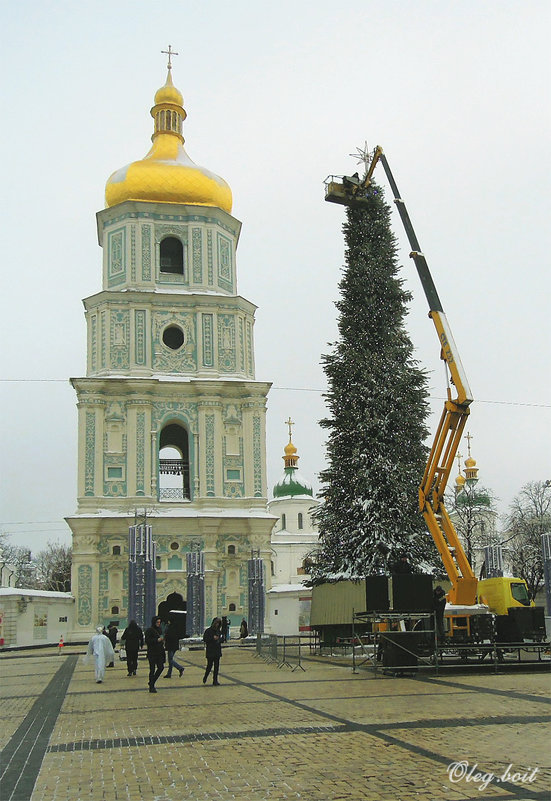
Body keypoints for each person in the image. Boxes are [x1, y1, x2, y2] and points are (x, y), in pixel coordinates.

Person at [145, 616, 165, 692]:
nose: (158, 624)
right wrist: (156, 640)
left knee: (161, 667)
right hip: (152, 652)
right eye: (157, 622)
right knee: (152, 669)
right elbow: (147, 641)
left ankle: (151, 682)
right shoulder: (149, 630)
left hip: (159, 652)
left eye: (159, 622)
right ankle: (152, 687)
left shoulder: (159, 630)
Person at [202, 617, 222, 686]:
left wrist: (220, 639)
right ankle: (205, 676)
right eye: (216, 623)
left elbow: (221, 639)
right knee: (209, 666)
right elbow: (205, 639)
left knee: (216, 667)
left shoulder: (218, 631)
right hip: (210, 651)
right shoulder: (208, 631)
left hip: (217, 651)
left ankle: (215, 680)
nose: (217, 625)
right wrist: (212, 638)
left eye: (218, 623)